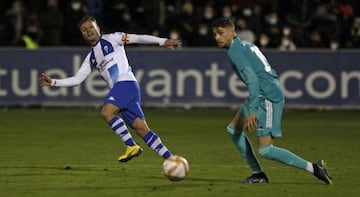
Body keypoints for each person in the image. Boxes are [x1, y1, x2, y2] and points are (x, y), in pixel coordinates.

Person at [39, 15, 181, 163]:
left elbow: (138, 38)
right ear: (82, 35)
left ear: (98, 28)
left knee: (107, 112)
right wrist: (53, 82)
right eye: (84, 30)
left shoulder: (113, 38)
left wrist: (162, 41)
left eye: (91, 27)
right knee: (141, 129)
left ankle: (131, 146)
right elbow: (77, 79)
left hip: (125, 83)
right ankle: (171, 159)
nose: (88, 31)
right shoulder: (91, 57)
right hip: (126, 90)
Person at [211, 18, 333, 184]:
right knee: (233, 130)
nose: (217, 37)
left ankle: (314, 168)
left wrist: (253, 110)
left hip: (267, 96)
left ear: (232, 33)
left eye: (221, 33)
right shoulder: (243, 45)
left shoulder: (235, 51)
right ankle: (258, 174)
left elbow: (253, 80)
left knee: (266, 150)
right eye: (215, 34)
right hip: (260, 94)